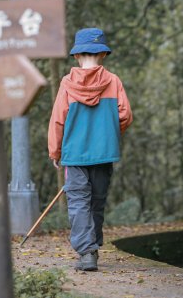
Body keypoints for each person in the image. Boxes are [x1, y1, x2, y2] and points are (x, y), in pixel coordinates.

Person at [48, 27, 133, 271]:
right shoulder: (113, 81)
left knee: (77, 203)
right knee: (96, 202)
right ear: (103, 54)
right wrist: (108, 135)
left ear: (76, 56)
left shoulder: (66, 84)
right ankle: (91, 247)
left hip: (74, 156)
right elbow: (125, 115)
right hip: (104, 154)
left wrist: (55, 151)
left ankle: (87, 253)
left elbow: (58, 120)